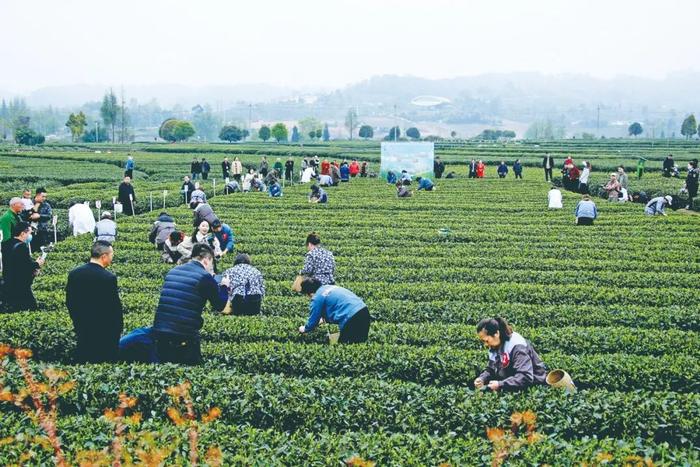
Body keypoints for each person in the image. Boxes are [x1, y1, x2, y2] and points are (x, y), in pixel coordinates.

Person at [152, 243, 229, 364]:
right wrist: (224, 286)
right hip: (184, 334)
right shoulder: (204, 276)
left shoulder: (173, 271)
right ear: (206, 260)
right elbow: (220, 306)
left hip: (159, 330)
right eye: (212, 263)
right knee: (192, 370)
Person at [65, 241, 123, 363]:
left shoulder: (75, 273)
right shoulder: (108, 278)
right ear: (104, 256)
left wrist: (77, 320)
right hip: (104, 331)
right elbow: (113, 308)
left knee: (84, 359)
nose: (112, 257)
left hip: (82, 326)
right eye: (112, 254)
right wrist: (118, 329)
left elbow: (69, 301)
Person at [473, 317, 547, 392]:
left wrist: (500, 384)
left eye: (486, 340)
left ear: (497, 334)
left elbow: (525, 376)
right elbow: (491, 368)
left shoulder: (517, 346)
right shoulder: (495, 344)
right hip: (510, 382)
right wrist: (482, 378)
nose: (485, 344)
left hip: (532, 384)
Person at [298, 277, 370, 344]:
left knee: (345, 346)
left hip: (351, 318)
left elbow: (313, 319)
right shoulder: (329, 287)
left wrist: (305, 329)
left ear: (310, 293)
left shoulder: (317, 297)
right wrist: (322, 320)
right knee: (360, 343)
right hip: (364, 311)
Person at [1, 222, 44, 312]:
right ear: (23, 233)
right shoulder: (21, 247)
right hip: (20, 286)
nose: (30, 235)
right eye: (29, 233)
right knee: (30, 308)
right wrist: (37, 264)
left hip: (8, 282)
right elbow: (25, 267)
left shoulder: (6, 243)